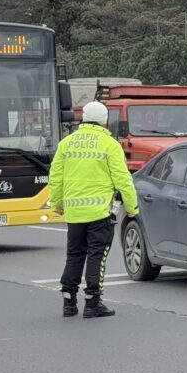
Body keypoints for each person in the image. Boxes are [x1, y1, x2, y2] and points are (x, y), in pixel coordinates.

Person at [48, 101, 139, 318]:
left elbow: (56, 177)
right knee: (97, 256)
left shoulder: (66, 143)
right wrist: (132, 206)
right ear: (105, 120)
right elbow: (122, 179)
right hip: (100, 212)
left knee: (74, 255)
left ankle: (68, 302)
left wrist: (57, 203)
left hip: (75, 212)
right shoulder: (109, 144)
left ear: (83, 119)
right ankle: (92, 302)